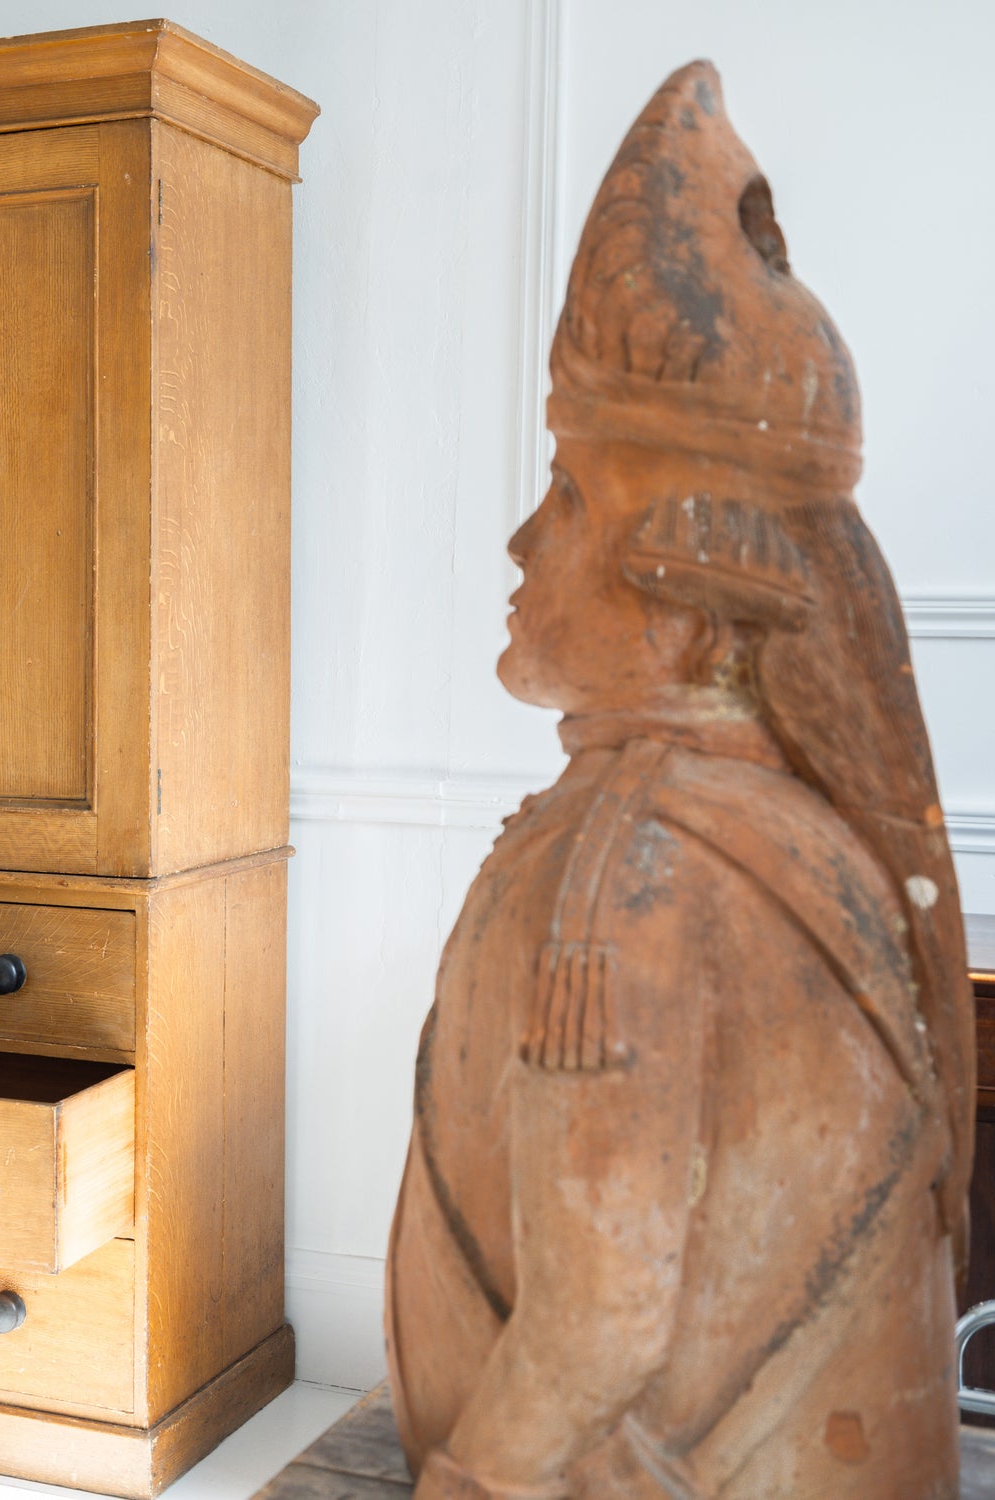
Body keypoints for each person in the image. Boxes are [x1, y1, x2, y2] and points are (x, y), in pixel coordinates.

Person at [385, 60, 972, 1500]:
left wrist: (468, 1481)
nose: (524, 543)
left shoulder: (637, 876)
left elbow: (596, 1324)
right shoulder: (795, 834)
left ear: (687, 594)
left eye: (571, 494)